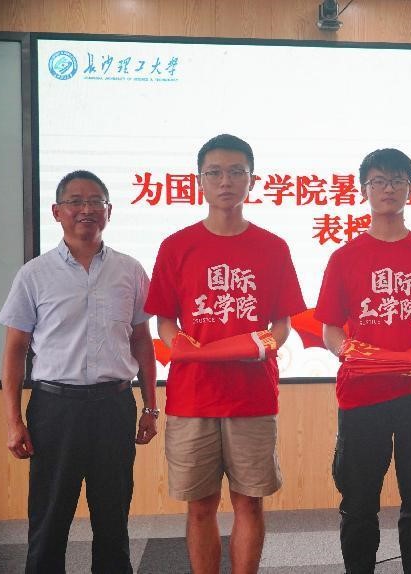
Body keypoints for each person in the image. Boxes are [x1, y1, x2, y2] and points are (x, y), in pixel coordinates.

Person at [144, 134, 305, 574]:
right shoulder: (176, 246)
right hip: (192, 397)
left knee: (249, 502)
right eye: (214, 172)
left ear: (252, 181)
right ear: (199, 181)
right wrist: (179, 344)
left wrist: (264, 344)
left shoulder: (273, 247)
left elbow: (282, 324)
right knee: (200, 505)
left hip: (251, 396)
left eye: (236, 172)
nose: (225, 181)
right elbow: (164, 322)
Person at [0, 170, 158, 573]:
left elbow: (142, 342)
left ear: (109, 211)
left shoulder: (130, 270)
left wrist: (150, 408)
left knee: (113, 518)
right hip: (55, 410)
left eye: (95, 201)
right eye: (75, 201)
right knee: (50, 518)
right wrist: (14, 421)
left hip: (114, 407)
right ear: (57, 212)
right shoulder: (33, 274)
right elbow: (15, 350)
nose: (86, 209)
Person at [315, 148, 411, 574]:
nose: (388, 188)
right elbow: (330, 329)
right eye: (378, 181)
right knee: (359, 501)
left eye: (397, 180)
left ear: (410, 189)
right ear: (364, 190)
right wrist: (351, 353)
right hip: (363, 395)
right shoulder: (344, 257)